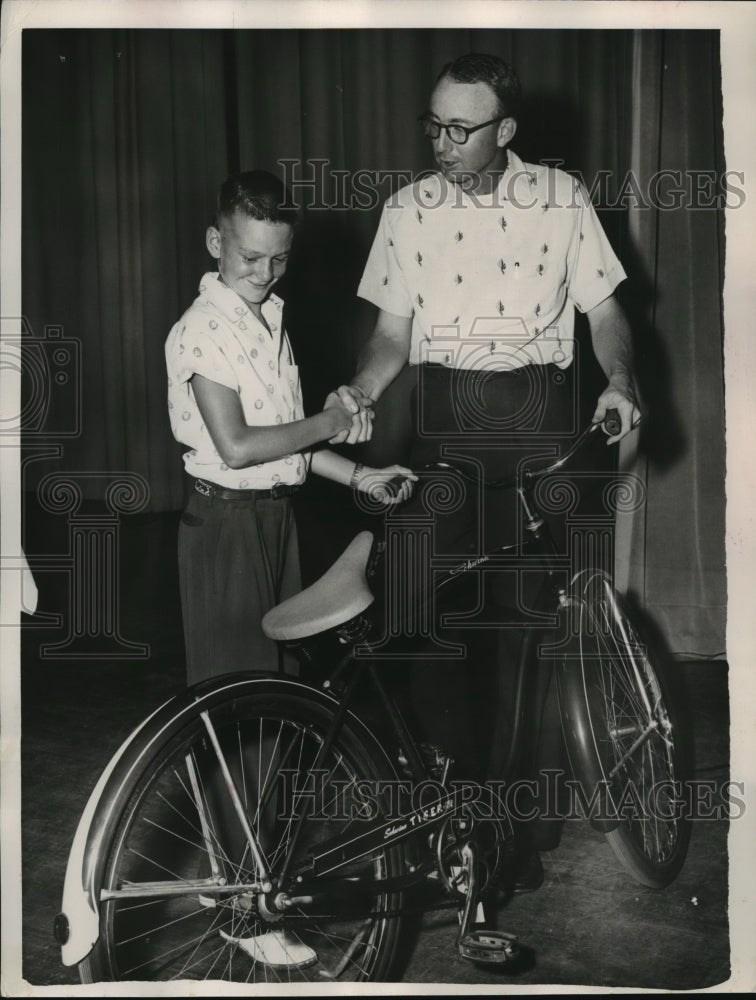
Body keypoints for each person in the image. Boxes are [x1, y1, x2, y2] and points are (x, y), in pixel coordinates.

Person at [333, 54, 641, 888]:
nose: (441, 142)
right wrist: (361, 388)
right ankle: (457, 812)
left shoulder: (562, 198)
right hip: (445, 418)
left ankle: (515, 826)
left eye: (460, 129)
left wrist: (617, 380)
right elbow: (392, 336)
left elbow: (606, 311)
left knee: (521, 631)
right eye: (432, 124)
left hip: (538, 420)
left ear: (505, 130)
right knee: (422, 612)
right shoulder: (406, 211)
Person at [165, 169, 415, 687]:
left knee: (281, 680)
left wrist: (358, 476)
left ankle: (277, 772)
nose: (264, 273)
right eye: (250, 258)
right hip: (226, 526)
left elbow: (281, 441)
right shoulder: (202, 329)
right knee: (239, 687)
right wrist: (331, 419)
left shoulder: (270, 319)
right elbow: (237, 448)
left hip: (277, 517)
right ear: (216, 243)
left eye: (279, 259)